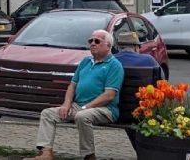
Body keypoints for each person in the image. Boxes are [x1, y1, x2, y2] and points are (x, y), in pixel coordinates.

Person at [27, 29, 125, 160]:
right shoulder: (85, 61)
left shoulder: (114, 65)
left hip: (105, 109)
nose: (92, 43)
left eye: (97, 41)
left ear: (108, 46)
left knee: (82, 116)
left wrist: (86, 107)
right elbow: (72, 85)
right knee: (48, 114)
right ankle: (46, 153)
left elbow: (109, 95)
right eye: (90, 41)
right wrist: (66, 104)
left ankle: (89, 156)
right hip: (79, 106)